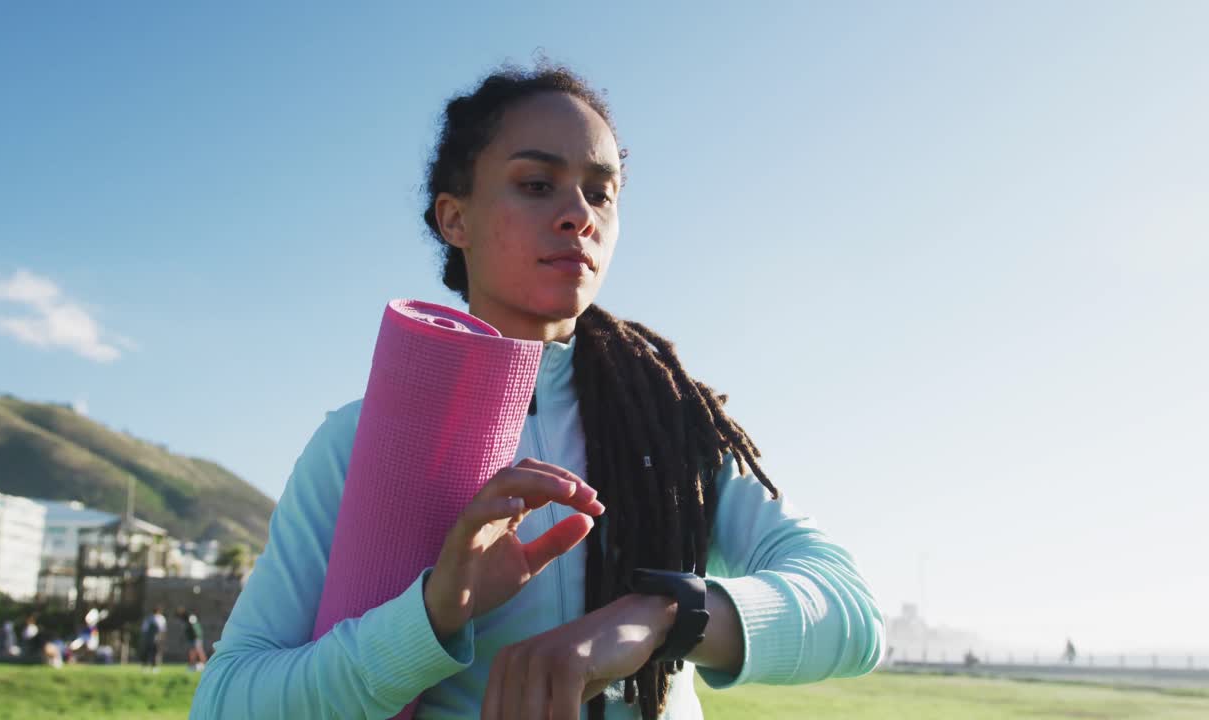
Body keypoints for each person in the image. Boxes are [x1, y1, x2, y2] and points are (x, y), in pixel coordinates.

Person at [192, 63, 884, 719]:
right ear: (453, 219)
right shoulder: (356, 442)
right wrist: (432, 615)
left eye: (601, 191)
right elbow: (226, 701)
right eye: (536, 184)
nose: (579, 213)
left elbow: (852, 613)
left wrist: (658, 616)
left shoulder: (675, 430)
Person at [177, 606, 207, 671]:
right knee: (192, 652)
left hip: (196, 637)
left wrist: (196, 636)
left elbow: (195, 628)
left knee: (199, 651)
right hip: (191, 638)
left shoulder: (190, 617)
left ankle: (205, 664)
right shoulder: (184, 618)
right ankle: (192, 665)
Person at [140, 605, 166, 673]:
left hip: (154, 638)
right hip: (152, 638)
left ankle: (150, 667)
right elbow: (163, 630)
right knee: (151, 652)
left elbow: (144, 629)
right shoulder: (160, 618)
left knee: (153, 652)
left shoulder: (150, 618)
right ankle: (149, 667)